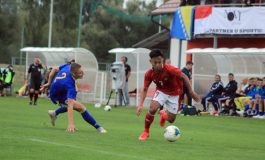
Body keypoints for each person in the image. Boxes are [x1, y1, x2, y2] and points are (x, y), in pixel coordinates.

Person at [136, 49, 200, 141]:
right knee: (152, 109)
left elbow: (184, 76)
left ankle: (163, 115)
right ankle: (146, 131)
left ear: (163, 61)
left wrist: (191, 91)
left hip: (175, 94)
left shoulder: (170, 69)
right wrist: (140, 105)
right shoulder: (149, 74)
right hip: (161, 91)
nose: (158, 64)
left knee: (171, 120)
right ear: (150, 62)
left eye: (159, 62)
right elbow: (145, 89)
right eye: (155, 62)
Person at [40, 62, 106, 133]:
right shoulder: (70, 85)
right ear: (74, 74)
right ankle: (98, 127)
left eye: (82, 71)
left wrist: (49, 82)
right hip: (57, 95)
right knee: (80, 107)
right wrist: (71, 124)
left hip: (59, 88)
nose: (83, 73)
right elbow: (70, 105)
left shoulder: (69, 66)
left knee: (74, 102)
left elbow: (54, 69)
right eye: (80, 73)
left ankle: (54, 113)